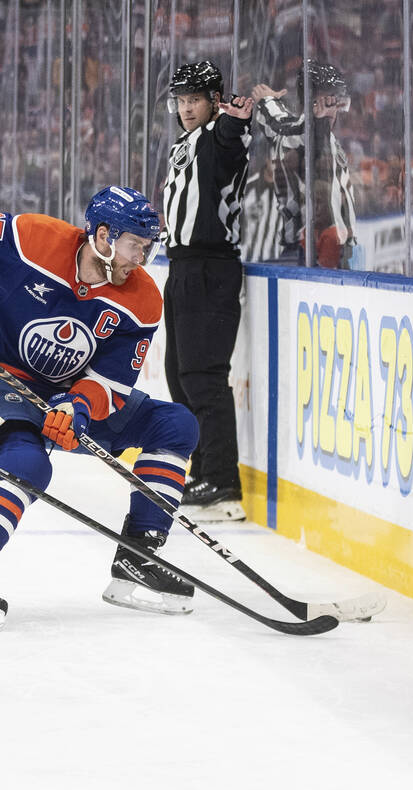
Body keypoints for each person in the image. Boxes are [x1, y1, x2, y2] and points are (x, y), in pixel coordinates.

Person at [0, 187, 199, 628]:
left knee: (175, 424)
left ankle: (138, 558)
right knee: (26, 464)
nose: (140, 259)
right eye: (134, 246)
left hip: (67, 397)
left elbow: (113, 380)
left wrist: (79, 405)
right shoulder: (34, 241)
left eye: (148, 248)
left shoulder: (142, 299)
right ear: (103, 235)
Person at [161, 60, 252, 523]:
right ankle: (203, 471)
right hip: (182, 269)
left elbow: (230, 144)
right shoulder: (187, 141)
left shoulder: (218, 137)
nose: (186, 107)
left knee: (203, 377)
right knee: (180, 376)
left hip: (209, 271)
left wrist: (236, 119)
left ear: (214, 100)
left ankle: (221, 483)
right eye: (180, 99)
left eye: (194, 98)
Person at [251, 60, 358, 270]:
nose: (331, 107)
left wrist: (269, 102)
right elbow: (284, 128)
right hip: (304, 251)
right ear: (309, 102)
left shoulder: (328, 138)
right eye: (325, 100)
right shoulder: (301, 135)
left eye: (334, 100)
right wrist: (267, 102)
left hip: (334, 249)